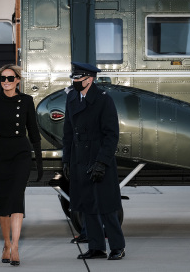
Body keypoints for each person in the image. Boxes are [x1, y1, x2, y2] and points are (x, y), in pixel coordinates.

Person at [62, 62, 125, 260]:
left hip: (98, 156)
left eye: (78, 79)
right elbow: (68, 132)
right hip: (79, 157)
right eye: (73, 79)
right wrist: (66, 160)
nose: (75, 82)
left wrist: (102, 162)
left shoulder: (104, 100)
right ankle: (96, 247)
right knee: (87, 204)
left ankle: (117, 247)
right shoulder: (72, 97)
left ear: (90, 79)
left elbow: (111, 135)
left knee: (106, 205)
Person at [0, 64, 43, 266]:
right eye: (3, 79)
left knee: (17, 197)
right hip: (0, 152)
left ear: (18, 80)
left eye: (10, 78)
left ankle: (15, 247)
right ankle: (6, 243)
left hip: (20, 153)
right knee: (3, 200)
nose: (6, 82)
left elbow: (33, 131)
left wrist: (39, 162)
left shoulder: (26, 101)